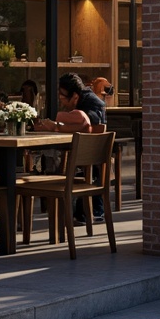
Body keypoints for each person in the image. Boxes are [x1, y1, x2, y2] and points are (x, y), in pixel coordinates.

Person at [34, 73, 106, 223]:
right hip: (78, 151)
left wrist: (56, 126)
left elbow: (87, 126)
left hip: (92, 155)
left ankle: (89, 211)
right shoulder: (81, 100)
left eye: (63, 95)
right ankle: (65, 209)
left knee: (56, 165)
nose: (60, 98)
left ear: (74, 96)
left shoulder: (92, 103)